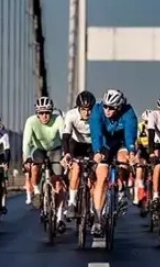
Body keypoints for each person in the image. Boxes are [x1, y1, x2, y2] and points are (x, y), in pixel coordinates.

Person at [88, 89, 138, 236]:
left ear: (119, 107)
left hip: (121, 140)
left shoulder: (128, 113)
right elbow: (96, 132)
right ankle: (97, 218)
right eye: (106, 106)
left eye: (111, 108)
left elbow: (130, 135)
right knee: (102, 176)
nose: (107, 110)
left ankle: (122, 189)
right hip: (104, 142)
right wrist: (97, 152)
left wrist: (131, 152)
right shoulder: (97, 111)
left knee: (124, 159)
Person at [22, 97, 67, 231]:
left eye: (47, 112)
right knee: (35, 166)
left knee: (58, 181)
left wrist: (65, 155)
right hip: (39, 149)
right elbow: (26, 143)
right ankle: (36, 191)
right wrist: (26, 159)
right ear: (37, 114)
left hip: (56, 149)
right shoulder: (31, 121)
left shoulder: (58, 119)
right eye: (41, 113)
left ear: (51, 112)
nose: (44, 116)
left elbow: (64, 136)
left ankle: (59, 218)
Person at [61, 90, 96, 219]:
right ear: (78, 108)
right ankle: (72, 203)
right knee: (75, 169)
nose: (87, 113)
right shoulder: (71, 115)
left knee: (94, 175)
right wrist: (66, 154)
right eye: (83, 109)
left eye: (89, 109)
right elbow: (65, 137)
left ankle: (93, 206)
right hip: (76, 144)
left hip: (92, 145)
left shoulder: (97, 115)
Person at [133, 110, 153, 207]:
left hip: (153, 149)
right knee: (140, 167)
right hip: (142, 149)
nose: (148, 124)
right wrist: (136, 156)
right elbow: (136, 143)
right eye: (146, 122)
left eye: (150, 122)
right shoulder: (140, 127)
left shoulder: (156, 127)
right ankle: (137, 194)